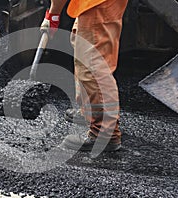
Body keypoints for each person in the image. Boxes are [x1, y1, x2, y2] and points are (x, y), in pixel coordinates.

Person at [40, 0, 128, 152]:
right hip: (95, 3)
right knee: (83, 44)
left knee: (92, 66)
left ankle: (104, 133)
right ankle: (89, 111)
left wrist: (53, 14)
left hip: (96, 3)